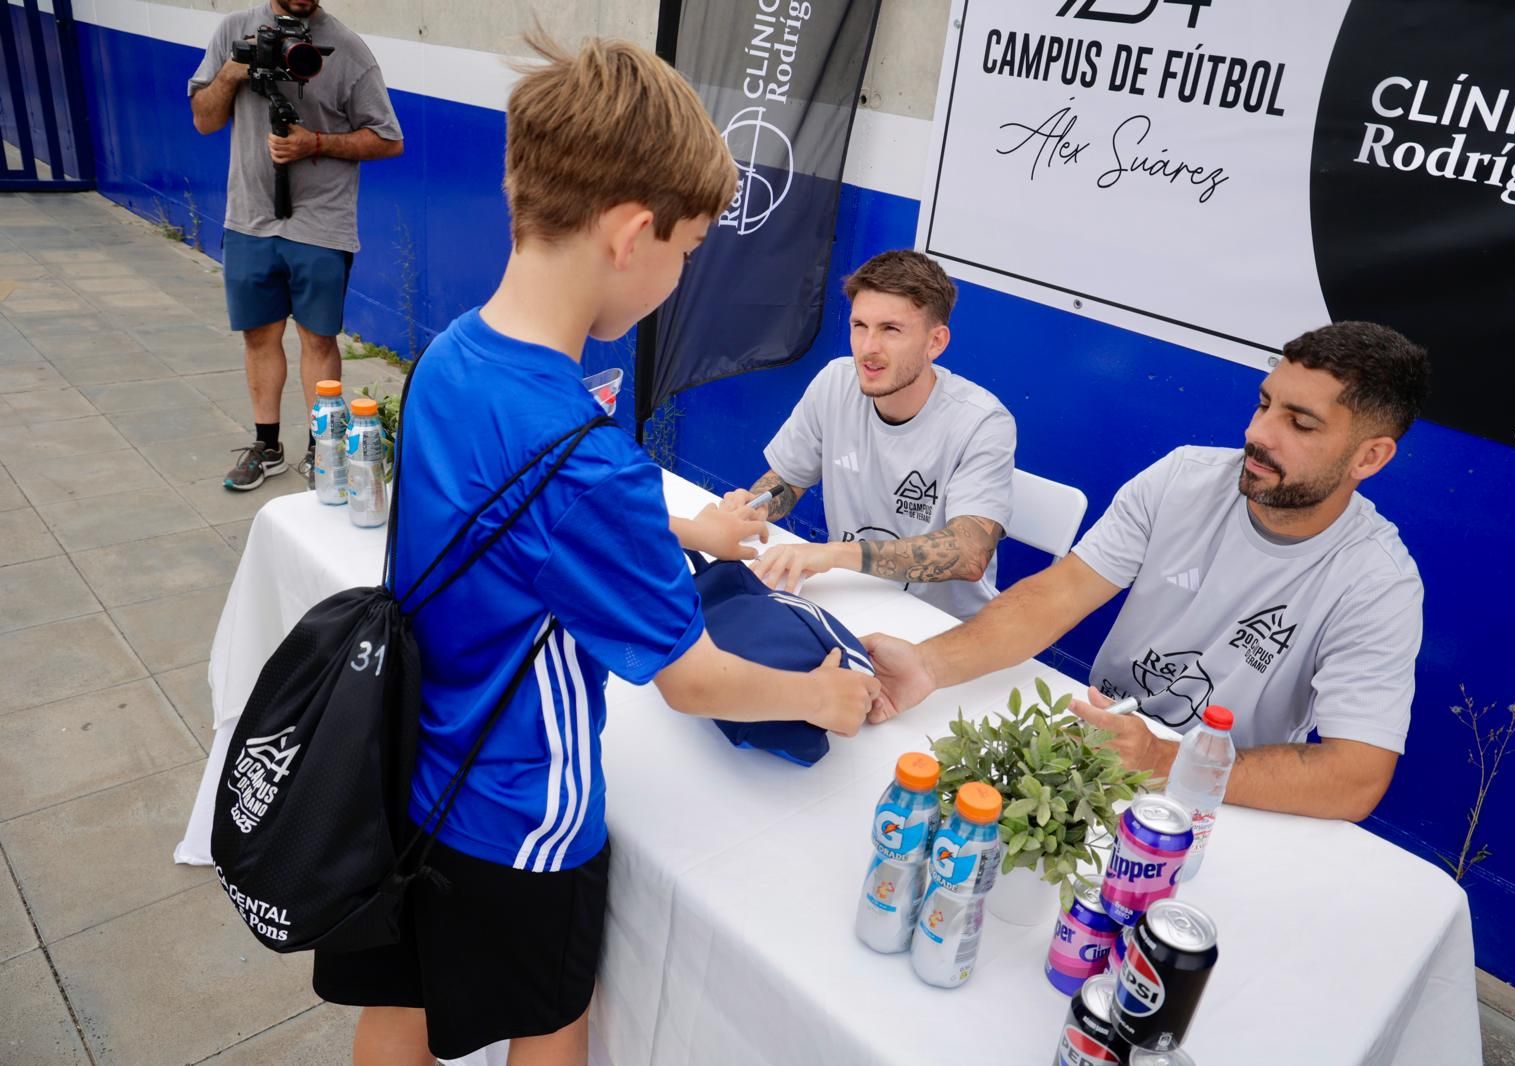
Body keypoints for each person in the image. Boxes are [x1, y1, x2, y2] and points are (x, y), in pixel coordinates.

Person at [309, 35, 878, 1066]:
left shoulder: (450, 357)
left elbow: (515, 509)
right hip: (523, 813)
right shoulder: (589, 460)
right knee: (551, 1019)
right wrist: (819, 699)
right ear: (629, 233)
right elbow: (693, 683)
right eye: (688, 251)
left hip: (415, 758)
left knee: (404, 1000)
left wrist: (685, 526)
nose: (677, 276)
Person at [865, 322, 1430, 823]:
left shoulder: (1377, 583)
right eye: (1264, 405)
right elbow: (1057, 594)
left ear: (1370, 458)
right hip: (1087, 746)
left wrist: (1163, 759)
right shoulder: (1184, 477)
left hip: (1219, 804)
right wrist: (926, 664)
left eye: (1301, 424)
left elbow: (1356, 776)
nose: (1259, 433)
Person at [721, 250, 1016, 621]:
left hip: (943, 631)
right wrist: (755, 505)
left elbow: (970, 553)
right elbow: (787, 481)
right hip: (849, 604)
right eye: (860, 326)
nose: (868, 348)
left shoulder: (982, 422)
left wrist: (832, 554)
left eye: (890, 330)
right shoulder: (835, 381)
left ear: (935, 342)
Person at [188, 0, 404, 491]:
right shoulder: (234, 31)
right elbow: (203, 120)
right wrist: (231, 74)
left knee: (318, 338)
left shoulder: (347, 49)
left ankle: (321, 449)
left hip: (321, 223)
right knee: (259, 335)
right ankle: (267, 446)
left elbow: (389, 139)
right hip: (250, 217)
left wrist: (317, 144)